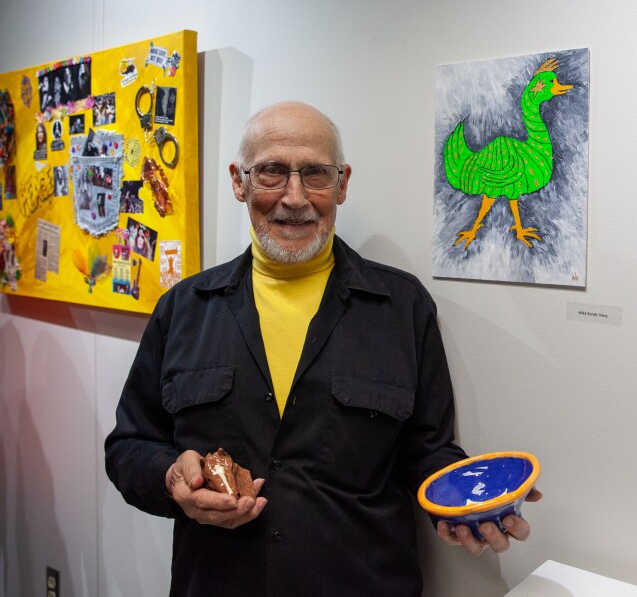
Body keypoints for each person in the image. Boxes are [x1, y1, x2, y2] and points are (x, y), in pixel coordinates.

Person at [105, 101, 539, 596]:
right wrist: (170, 478)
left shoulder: (401, 306)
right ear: (238, 181)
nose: (294, 198)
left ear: (342, 184)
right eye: (271, 173)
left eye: (314, 174)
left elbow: (429, 449)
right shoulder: (184, 309)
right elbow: (128, 446)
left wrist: (466, 502)